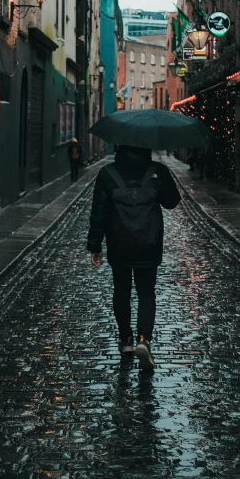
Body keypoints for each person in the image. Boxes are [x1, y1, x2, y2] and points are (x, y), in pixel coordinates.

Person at [87, 145, 181, 369]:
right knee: (146, 292)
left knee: (121, 291)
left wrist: (95, 245)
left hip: (119, 244)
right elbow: (172, 202)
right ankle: (143, 339)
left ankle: (126, 340)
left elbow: (98, 211)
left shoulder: (108, 173)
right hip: (149, 243)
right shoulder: (157, 170)